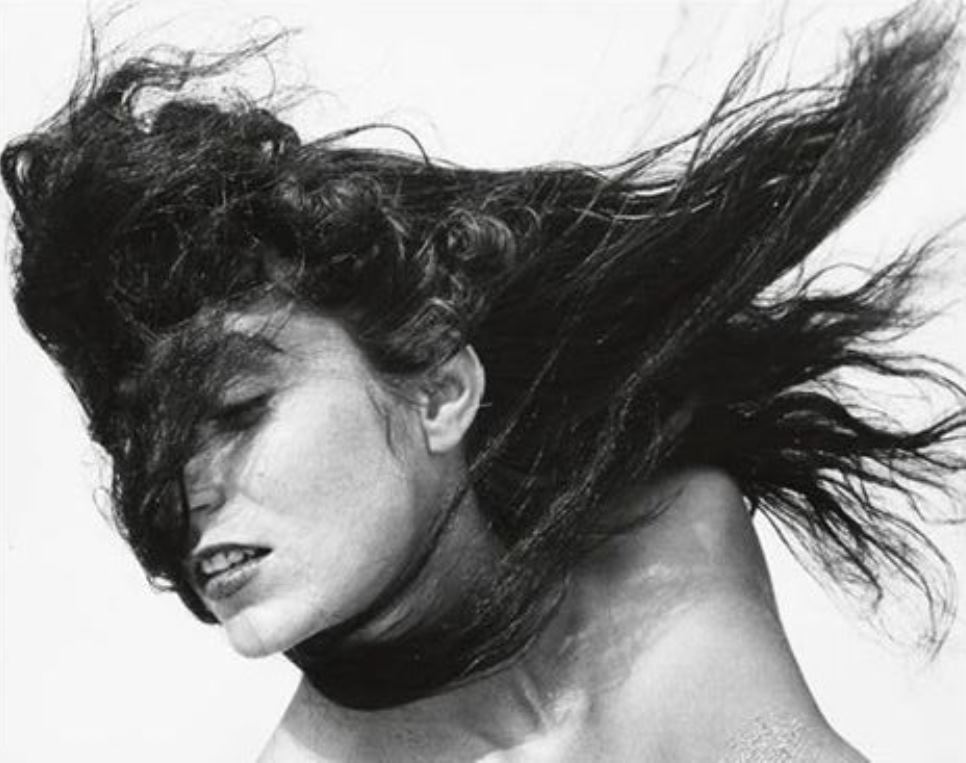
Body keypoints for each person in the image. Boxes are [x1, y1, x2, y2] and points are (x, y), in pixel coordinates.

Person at [2, 2, 964, 760]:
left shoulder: (665, 546)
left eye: (240, 410)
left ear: (439, 392)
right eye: (154, 453)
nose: (188, 491)